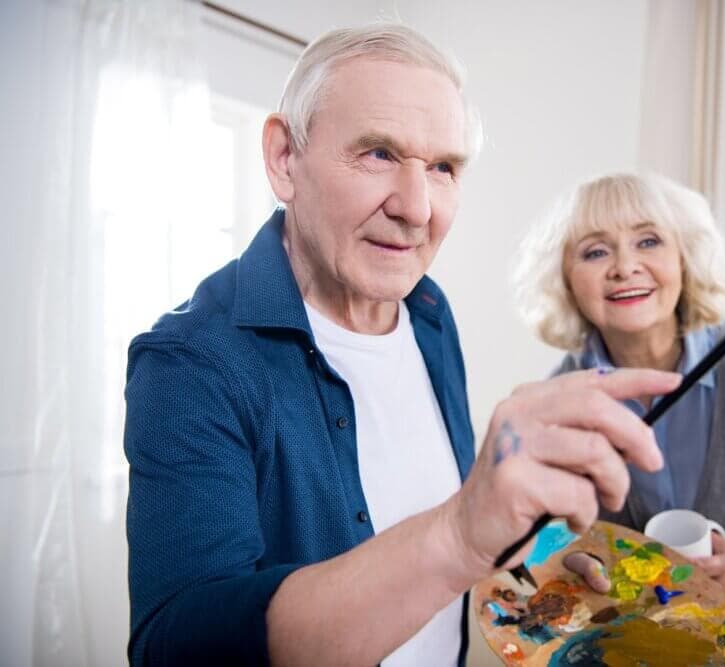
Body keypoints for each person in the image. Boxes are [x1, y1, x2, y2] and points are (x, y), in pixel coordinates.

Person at [123, 25, 680, 666]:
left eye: (443, 167)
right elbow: (179, 651)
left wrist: (533, 559)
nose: (417, 209)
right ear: (283, 158)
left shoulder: (429, 313)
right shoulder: (191, 362)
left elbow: (437, 514)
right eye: (379, 153)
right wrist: (461, 535)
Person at [512, 172, 725, 628]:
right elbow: (523, 553)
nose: (624, 267)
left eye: (648, 242)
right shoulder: (554, 408)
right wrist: (559, 564)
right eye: (595, 251)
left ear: (685, 258)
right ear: (566, 282)